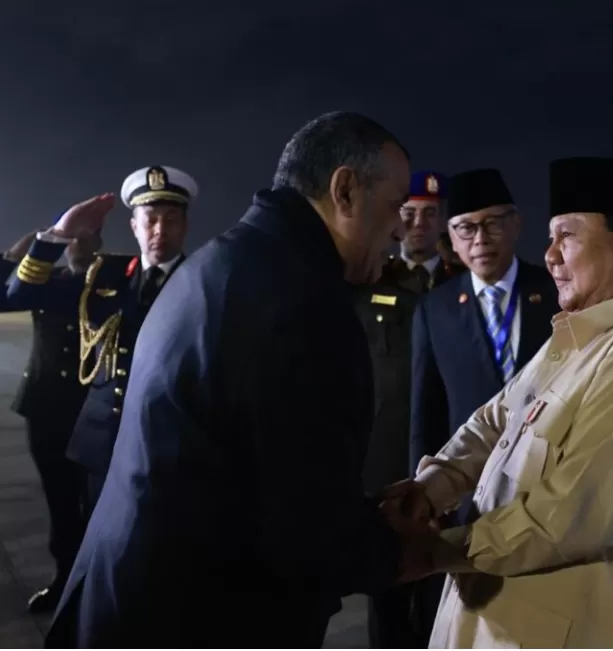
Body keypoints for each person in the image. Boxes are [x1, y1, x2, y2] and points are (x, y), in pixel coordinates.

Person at [45, 111, 440, 648]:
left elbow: (241, 470)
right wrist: (408, 551)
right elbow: (304, 534)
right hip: (201, 620)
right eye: (394, 206)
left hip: (136, 603)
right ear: (345, 190)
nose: (399, 228)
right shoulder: (302, 304)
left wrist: (361, 510)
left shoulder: (228, 262)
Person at [384, 157, 613, 648]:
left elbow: (575, 518)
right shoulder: (585, 334)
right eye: (551, 238)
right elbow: (495, 420)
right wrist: (430, 490)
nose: (550, 256)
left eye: (567, 237)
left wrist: (433, 551)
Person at [407, 167, 561, 631]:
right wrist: (423, 498)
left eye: (493, 223)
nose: (480, 239)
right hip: (468, 496)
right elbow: (425, 412)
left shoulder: (556, 292)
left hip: (548, 489)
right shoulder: (434, 308)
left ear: (516, 224)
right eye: (466, 228)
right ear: (451, 238)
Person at [6, 166, 197, 514]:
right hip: (103, 442)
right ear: (134, 226)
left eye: (171, 220)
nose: (160, 230)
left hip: (172, 441)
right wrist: (59, 234)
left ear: (185, 226)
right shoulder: (106, 276)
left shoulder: (201, 280)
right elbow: (20, 295)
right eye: (151, 219)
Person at [354, 169, 465, 649]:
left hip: (448, 456)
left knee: (448, 599)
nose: (419, 223)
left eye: (430, 214)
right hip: (385, 460)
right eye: (410, 213)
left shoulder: (461, 283)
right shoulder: (368, 280)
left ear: (443, 222)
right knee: (389, 599)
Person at [2, 230, 100, 612]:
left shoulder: (110, 281)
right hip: (45, 408)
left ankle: (95, 583)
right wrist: (20, 252)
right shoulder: (45, 280)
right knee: (60, 501)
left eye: (86, 237)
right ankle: (64, 581)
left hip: (93, 409)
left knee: (97, 504)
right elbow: (5, 297)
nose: (79, 244)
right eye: (72, 237)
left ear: (98, 242)